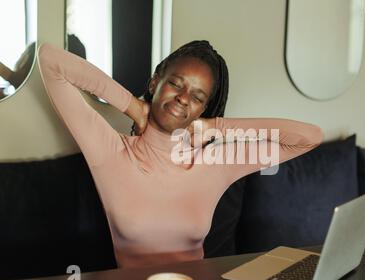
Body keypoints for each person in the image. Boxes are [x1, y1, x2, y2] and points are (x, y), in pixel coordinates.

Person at [37, 41, 323, 268]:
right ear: (155, 83)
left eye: (198, 97)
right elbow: (51, 60)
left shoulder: (216, 163)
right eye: (176, 83)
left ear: (202, 109)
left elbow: (308, 138)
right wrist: (131, 106)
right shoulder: (109, 151)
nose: (184, 98)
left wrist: (217, 127)